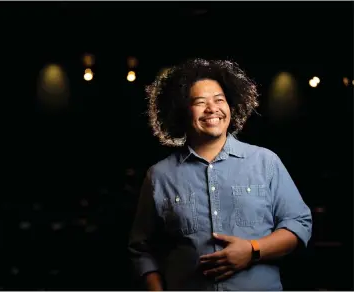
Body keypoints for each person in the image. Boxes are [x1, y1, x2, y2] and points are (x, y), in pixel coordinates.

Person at [128, 58, 312, 291]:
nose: (212, 108)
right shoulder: (159, 176)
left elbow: (299, 223)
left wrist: (252, 250)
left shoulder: (266, 162)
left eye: (219, 100)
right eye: (200, 102)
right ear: (182, 112)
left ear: (231, 107)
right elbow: (141, 248)